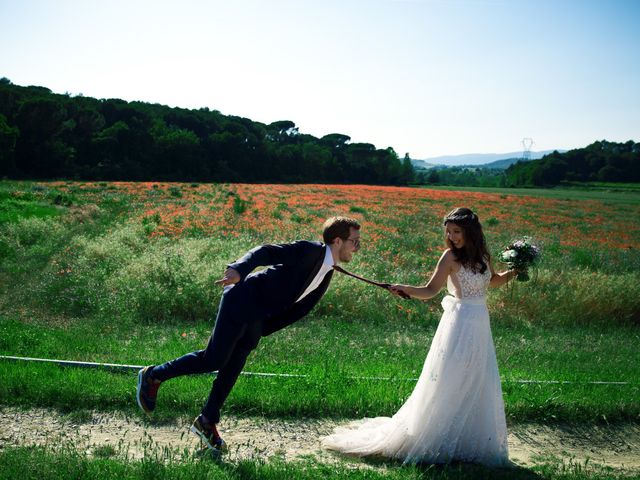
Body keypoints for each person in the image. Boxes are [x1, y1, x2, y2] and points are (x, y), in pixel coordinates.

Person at [136, 216, 361, 453]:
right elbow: (266, 252)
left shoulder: (327, 270)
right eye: (354, 242)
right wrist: (238, 269)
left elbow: (300, 308)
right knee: (214, 359)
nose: (357, 248)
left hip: (258, 316)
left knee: (232, 366)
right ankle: (153, 375)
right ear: (337, 241)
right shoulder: (310, 251)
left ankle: (206, 421)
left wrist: (265, 327)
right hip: (242, 299)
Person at [322, 207, 517, 467]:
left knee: (477, 377)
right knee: (452, 378)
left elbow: (491, 281)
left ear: (470, 231)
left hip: (480, 323)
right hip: (459, 324)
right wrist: (405, 289)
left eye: (456, 231)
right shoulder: (449, 257)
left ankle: (468, 440)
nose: (451, 236)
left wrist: (515, 270)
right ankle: (436, 437)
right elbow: (430, 290)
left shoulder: (482, 256)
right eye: (448, 231)